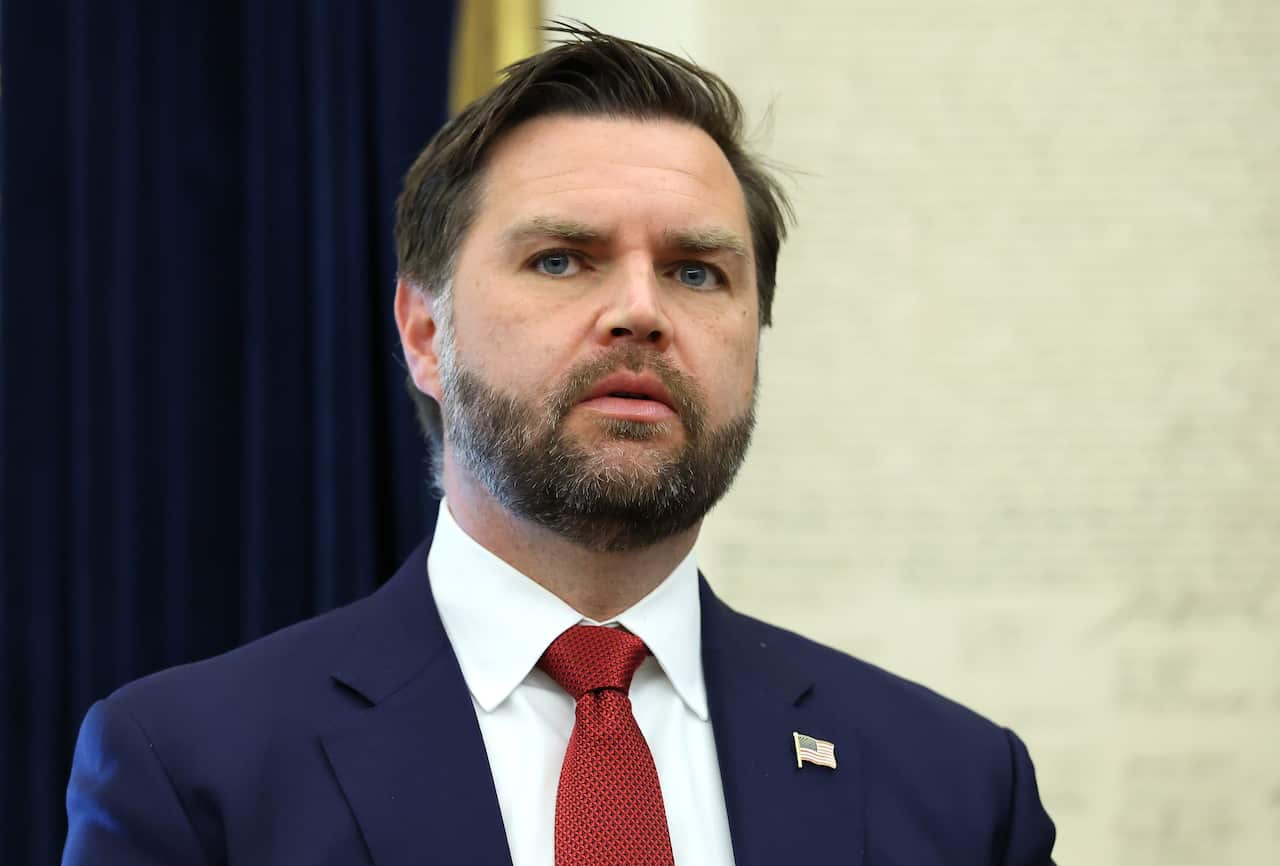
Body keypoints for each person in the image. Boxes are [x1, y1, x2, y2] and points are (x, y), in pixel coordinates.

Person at [62, 25, 1056, 866]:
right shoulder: (195, 772)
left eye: (696, 271)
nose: (639, 310)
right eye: (559, 258)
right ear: (422, 334)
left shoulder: (957, 788)